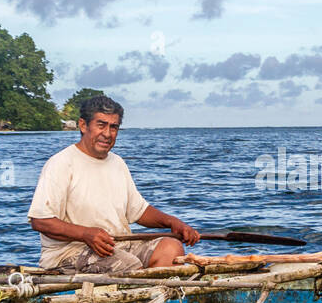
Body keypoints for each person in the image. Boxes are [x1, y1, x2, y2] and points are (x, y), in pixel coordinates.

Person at [28, 95, 199, 272]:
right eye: (101, 125)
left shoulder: (117, 163)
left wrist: (172, 222)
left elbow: (139, 211)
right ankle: (144, 293)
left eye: (114, 127)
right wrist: (86, 234)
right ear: (83, 125)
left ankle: (155, 296)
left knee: (171, 248)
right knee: (129, 265)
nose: (108, 134)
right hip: (69, 254)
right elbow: (40, 221)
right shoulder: (61, 163)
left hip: (118, 246)